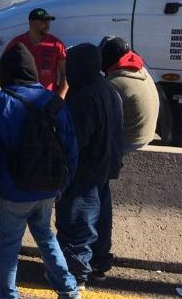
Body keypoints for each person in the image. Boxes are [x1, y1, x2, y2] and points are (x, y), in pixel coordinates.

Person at [0, 43, 79, 299]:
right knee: (45, 236)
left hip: (14, 190)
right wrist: (63, 185)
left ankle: (8, 295)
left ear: (5, 72)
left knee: (9, 246)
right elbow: (71, 149)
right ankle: (68, 289)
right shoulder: (54, 102)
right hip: (48, 188)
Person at [56, 43, 123, 289]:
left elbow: (75, 140)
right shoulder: (108, 88)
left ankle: (75, 275)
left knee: (77, 223)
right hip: (105, 168)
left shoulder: (84, 96)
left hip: (84, 171)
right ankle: (98, 265)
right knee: (101, 222)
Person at [99, 36, 159, 151]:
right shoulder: (141, 70)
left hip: (130, 142)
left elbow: (102, 121)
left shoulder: (116, 83)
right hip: (146, 135)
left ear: (108, 57)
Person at [5, 8, 68, 98]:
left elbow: (65, 74)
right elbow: (5, 70)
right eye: (42, 21)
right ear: (31, 22)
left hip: (47, 100)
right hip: (22, 99)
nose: (47, 24)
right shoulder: (17, 43)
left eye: (48, 21)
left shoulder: (56, 44)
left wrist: (60, 99)